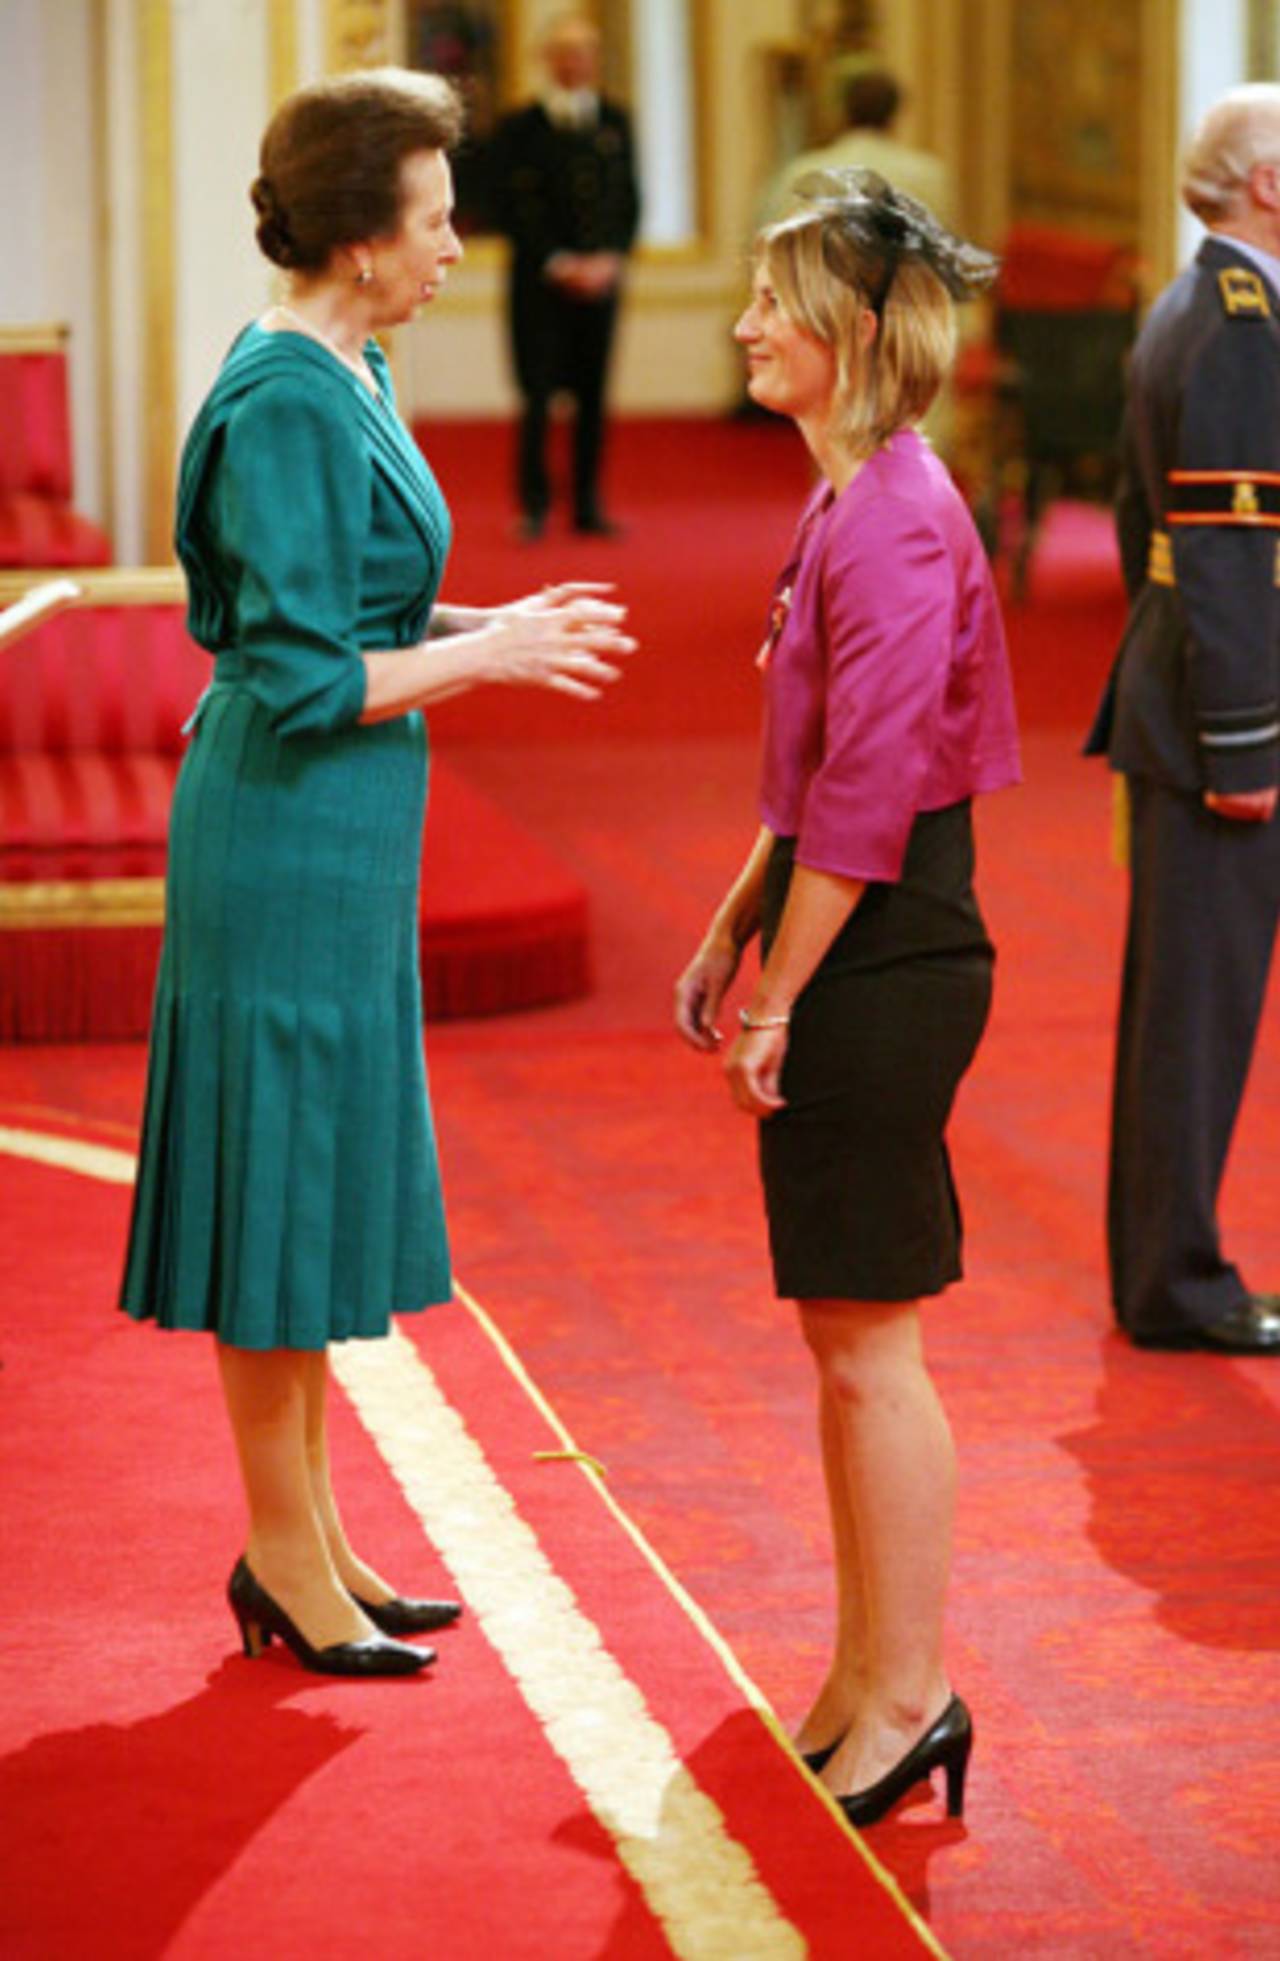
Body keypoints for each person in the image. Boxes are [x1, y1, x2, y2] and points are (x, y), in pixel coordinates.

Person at [119, 68, 635, 1678]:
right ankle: (284, 1554)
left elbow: (363, 611)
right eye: (434, 218)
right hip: (281, 825)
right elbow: (292, 673)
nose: (457, 246)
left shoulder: (357, 360)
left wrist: (492, 624)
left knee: (311, 1185)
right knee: (275, 1186)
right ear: (356, 236)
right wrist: (491, 664)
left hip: (342, 835)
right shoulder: (284, 395)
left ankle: (316, 1536)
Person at [675, 171, 1018, 1827]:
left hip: (888, 952)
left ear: (854, 335)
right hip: (847, 931)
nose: (743, 325)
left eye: (771, 301)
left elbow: (872, 805)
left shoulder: (892, 513)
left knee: (878, 1348)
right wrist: (729, 926)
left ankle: (913, 1691)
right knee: (842, 1339)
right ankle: (864, 1672)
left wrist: (774, 1001)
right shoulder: (849, 496)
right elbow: (807, 778)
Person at [1086, 86, 1280, 1355]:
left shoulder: (1192, 304)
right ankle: (1174, 1282)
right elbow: (1217, 549)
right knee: (1194, 1020)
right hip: (1224, 723)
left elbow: (1129, 525)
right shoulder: (1238, 326)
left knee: (1182, 1010)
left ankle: (1167, 1267)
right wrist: (1244, 743)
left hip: (1185, 690)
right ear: (1262, 183)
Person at [487, 10, 640, 539]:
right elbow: (506, 204)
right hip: (540, 285)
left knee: (593, 396)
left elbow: (628, 201)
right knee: (538, 394)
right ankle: (533, 505)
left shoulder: (616, 123)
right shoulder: (519, 128)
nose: (576, 61)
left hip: (600, 284)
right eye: (565, 51)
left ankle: (587, 505)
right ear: (546, 60)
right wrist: (558, 261)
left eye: (585, 51)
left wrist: (610, 259)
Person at [758, 60, 953, 231]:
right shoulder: (927, 175)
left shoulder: (802, 172)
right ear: (894, 115)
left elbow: (766, 241)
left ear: (842, 111)